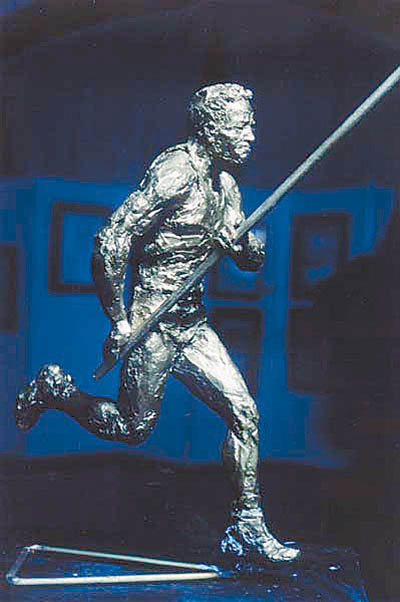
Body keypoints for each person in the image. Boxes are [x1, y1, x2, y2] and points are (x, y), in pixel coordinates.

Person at [15, 83, 300, 563]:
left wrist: (240, 244)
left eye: (251, 124)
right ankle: (56, 391)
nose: (251, 135)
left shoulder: (226, 186)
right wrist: (119, 320)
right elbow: (112, 240)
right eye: (241, 126)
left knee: (244, 413)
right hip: (153, 324)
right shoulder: (175, 172)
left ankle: (247, 526)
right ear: (211, 128)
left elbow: (253, 258)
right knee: (132, 428)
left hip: (193, 324)